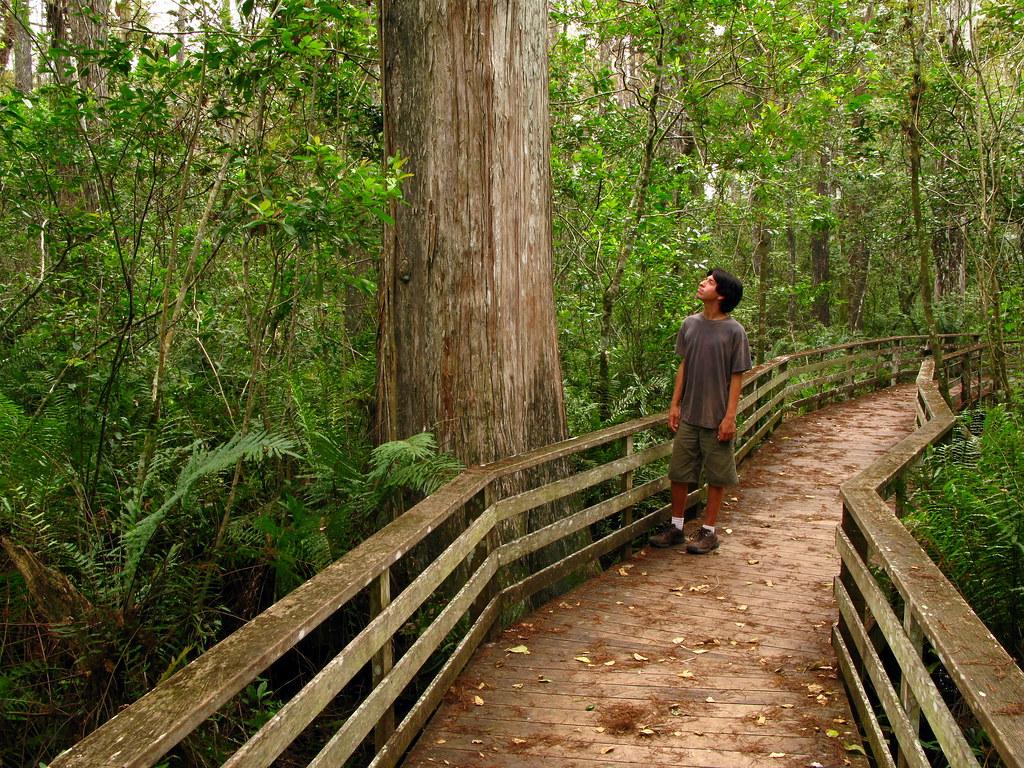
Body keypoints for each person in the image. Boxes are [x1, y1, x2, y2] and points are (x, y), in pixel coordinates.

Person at [649, 268, 751, 554]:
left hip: (717, 416)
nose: (702, 283)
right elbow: (684, 365)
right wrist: (674, 404)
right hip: (690, 415)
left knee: (716, 475)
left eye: (710, 282)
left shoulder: (735, 331)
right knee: (679, 472)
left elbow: (737, 376)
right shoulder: (689, 325)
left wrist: (730, 416)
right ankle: (677, 528)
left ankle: (708, 531)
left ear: (721, 295)